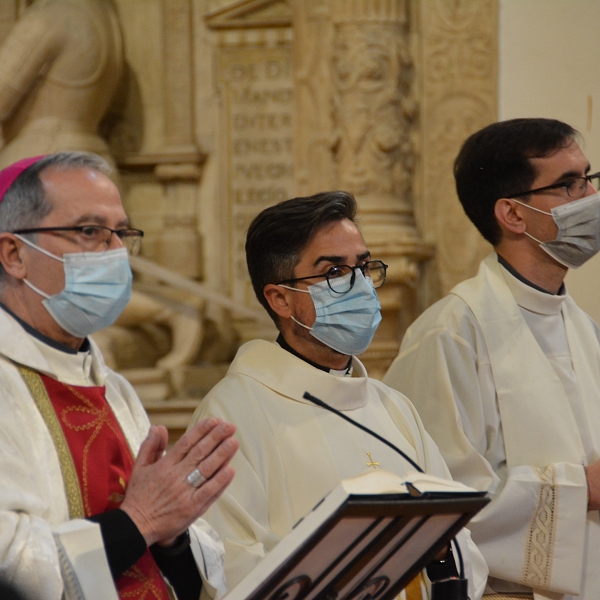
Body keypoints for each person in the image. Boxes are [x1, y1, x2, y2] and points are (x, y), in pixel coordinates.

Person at [188, 191, 488, 598]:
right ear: (280, 298)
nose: (360, 285)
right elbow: (231, 566)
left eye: (363, 267)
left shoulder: (392, 407)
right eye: (333, 272)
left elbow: (458, 543)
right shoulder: (232, 414)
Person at [0, 152, 239, 600]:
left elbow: (188, 568)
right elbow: (12, 567)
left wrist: (172, 533)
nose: (115, 253)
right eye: (90, 231)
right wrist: (140, 522)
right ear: (14, 254)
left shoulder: (115, 388)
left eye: (121, 233)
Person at [384, 118, 600, 599]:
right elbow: (435, 498)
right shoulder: (451, 333)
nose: (590, 196)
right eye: (569, 184)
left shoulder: (584, 328)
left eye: (588, 177)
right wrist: (579, 488)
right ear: (513, 215)